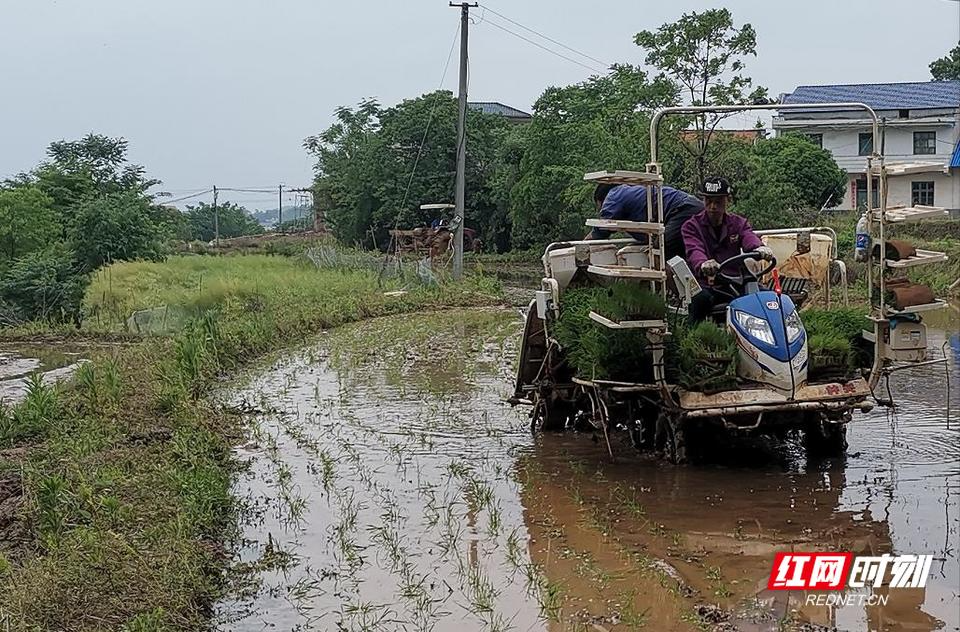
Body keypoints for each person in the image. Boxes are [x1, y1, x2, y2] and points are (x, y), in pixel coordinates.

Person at [681, 177, 773, 322]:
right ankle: (696, 338)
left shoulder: (738, 223)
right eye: (709, 201)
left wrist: (759, 247)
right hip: (709, 284)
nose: (713, 207)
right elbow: (694, 250)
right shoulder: (691, 226)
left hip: (736, 282)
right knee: (699, 301)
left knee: (769, 299)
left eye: (718, 202)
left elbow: (748, 236)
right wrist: (704, 264)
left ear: (727, 201)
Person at [585, 183, 704, 260]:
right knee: (687, 254)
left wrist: (580, 246)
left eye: (599, 207)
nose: (601, 211)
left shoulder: (614, 195)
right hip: (693, 206)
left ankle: (680, 296)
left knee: (658, 253)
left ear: (601, 200)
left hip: (683, 210)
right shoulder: (632, 191)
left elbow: (601, 229)